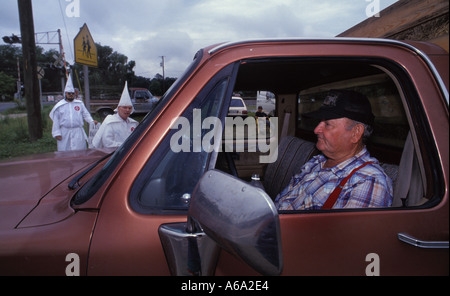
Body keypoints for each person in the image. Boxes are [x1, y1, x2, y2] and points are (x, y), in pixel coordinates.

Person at [275, 89, 393, 210]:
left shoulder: (367, 181)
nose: (316, 130)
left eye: (327, 124)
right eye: (319, 122)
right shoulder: (317, 162)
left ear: (355, 133)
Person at [49, 74, 97, 151]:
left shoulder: (79, 104)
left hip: (78, 132)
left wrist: (91, 121)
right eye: (69, 93)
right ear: (65, 94)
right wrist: (56, 133)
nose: (71, 95)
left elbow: (86, 114)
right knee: (65, 151)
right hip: (64, 132)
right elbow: (56, 120)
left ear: (74, 94)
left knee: (80, 151)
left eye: (72, 93)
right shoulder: (59, 106)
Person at [92, 82, 138, 148]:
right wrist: (125, 146)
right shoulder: (110, 122)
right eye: (124, 107)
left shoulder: (133, 123)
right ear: (118, 108)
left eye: (129, 108)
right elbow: (107, 143)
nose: (127, 110)